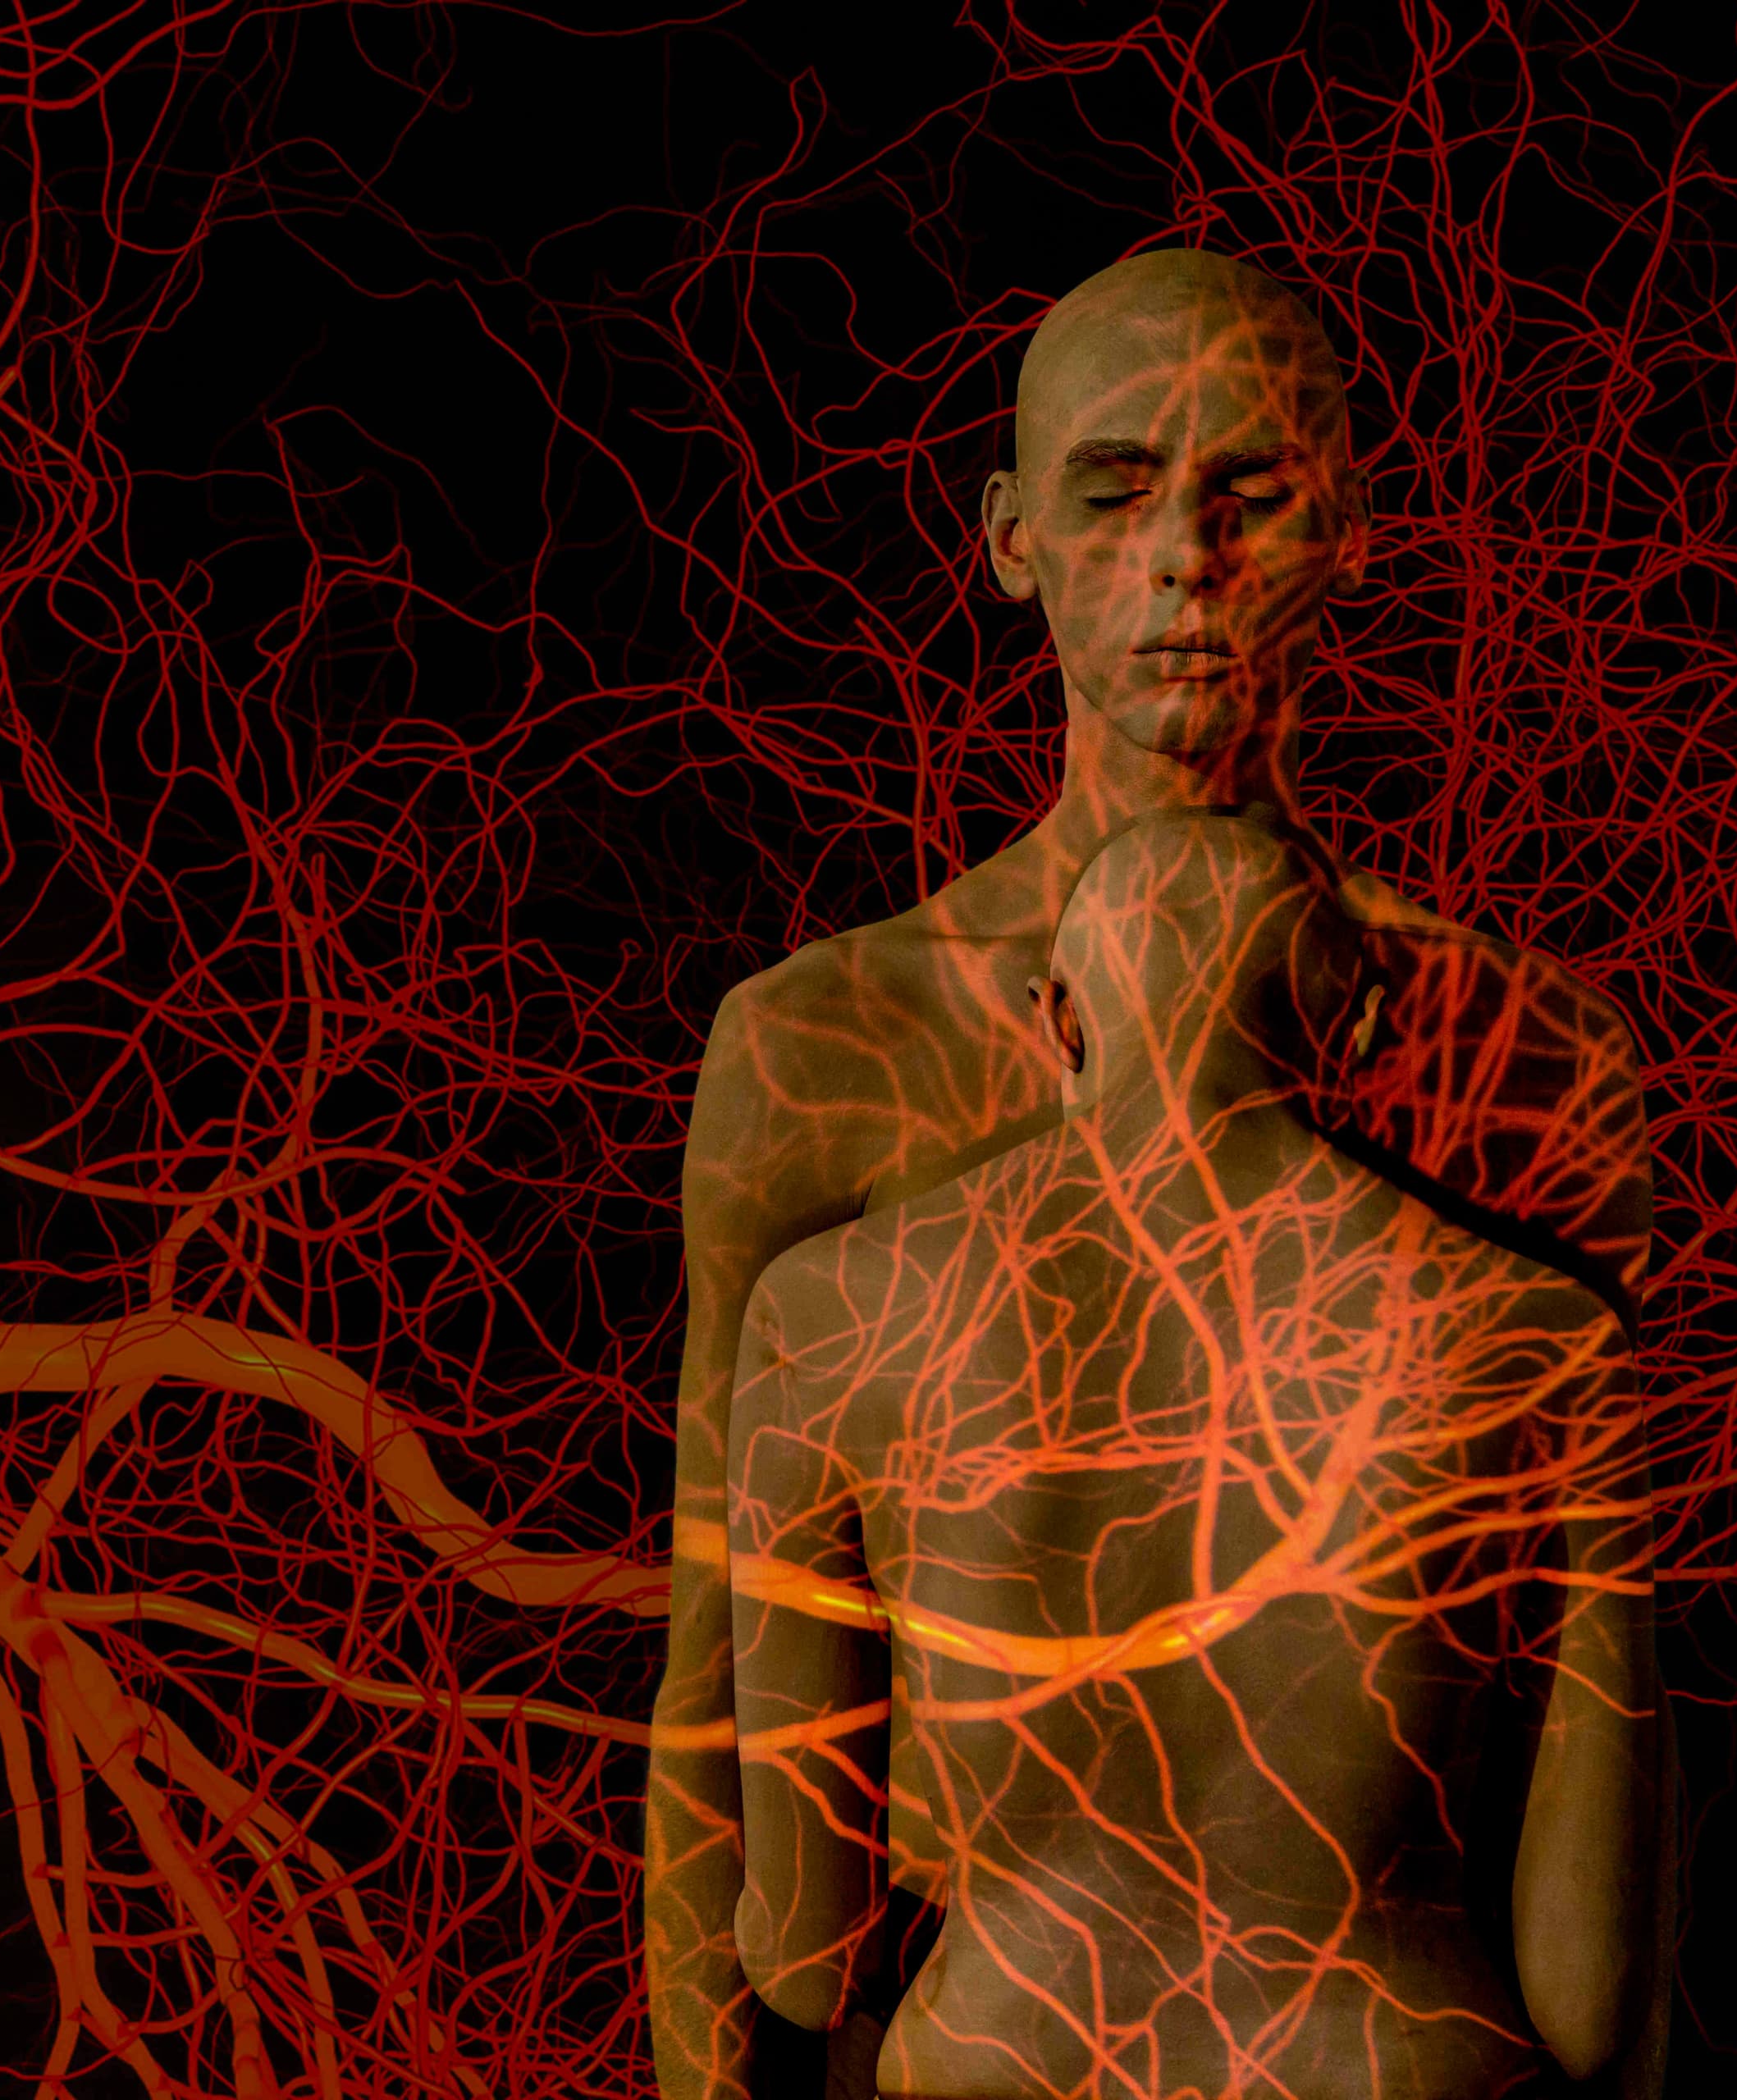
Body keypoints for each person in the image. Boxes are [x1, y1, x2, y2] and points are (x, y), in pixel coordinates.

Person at [642, 250, 1659, 2100]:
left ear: (1348, 527)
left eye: (1247, 491)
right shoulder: (827, 1043)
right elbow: (713, 1693)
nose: (1187, 557)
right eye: (1117, 492)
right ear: (1010, 537)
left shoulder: (1530, 1049)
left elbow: (1618, 1726)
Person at [722, 811, 1657, 2098]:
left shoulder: (828, 1316)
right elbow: (1588, 1996)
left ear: (1059, 1023)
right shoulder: (1543, 1340)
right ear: (1356, 1027)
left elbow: (802, 1959)